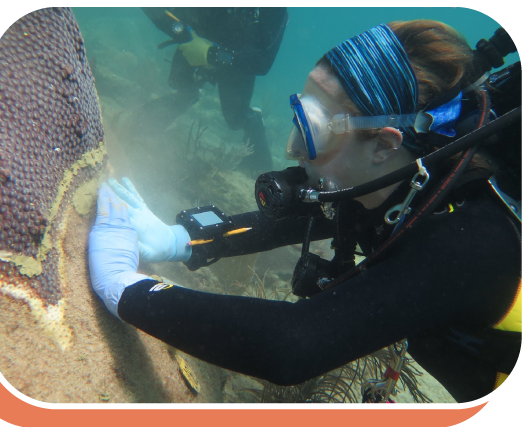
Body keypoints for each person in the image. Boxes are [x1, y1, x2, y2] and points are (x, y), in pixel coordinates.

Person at [88, 20, 521, 403]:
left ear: (384, 146)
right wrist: (181, 239)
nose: (291, 148)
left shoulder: (468, 240)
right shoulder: (396, 183)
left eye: (312, 130)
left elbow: (291, 344)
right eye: (298, 117)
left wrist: (125, 288)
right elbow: (302, 218)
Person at [137, 7, 289, 174]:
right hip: (196, 37)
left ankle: (254, 123)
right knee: (180, 85)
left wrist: (210, 54)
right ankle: (146, 127)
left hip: (237, 60)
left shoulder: (274, 9)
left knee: (235, 118)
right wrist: (180, 32)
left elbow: (262, 62)